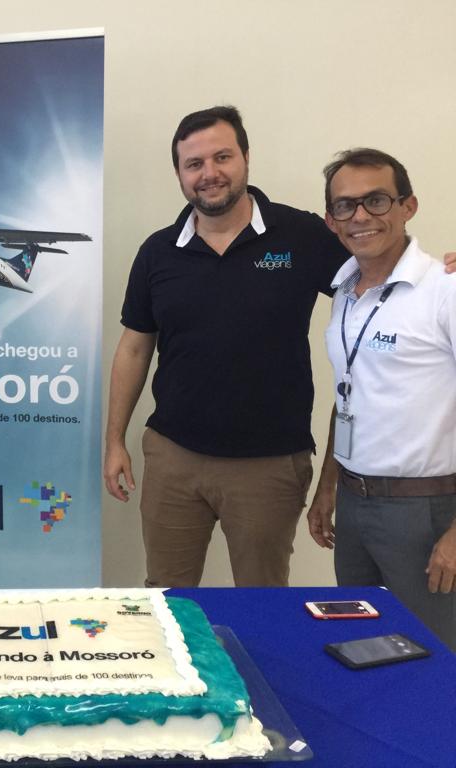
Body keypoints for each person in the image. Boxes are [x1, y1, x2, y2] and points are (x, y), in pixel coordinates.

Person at [104, 105, 350, 587]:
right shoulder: (158, 252)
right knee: (167, 599)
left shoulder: (301, 235)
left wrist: (435, 273)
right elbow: (134, 348)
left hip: (269, 464)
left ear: (246, 158)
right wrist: (115, 441)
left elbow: (376, 275)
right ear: (180, 174)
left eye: (222, 157)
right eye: (194, 164)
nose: (209, 173)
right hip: (173, 458)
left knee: (261, 602)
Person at [307, 148, 456, 649]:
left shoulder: (445, 290)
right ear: (331, 221)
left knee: (432, 656)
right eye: (345, 206)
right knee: (361, 645)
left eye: (376, 200)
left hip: (426, 511)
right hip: (354, 504)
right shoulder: (345, 293)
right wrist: (328, 487)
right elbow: (349, 393)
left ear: (408, 206)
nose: (361, 216)